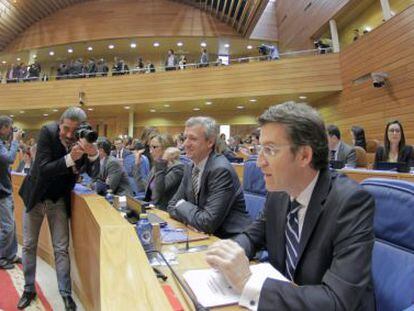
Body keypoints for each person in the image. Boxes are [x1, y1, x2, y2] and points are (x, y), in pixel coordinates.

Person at [206, 102, 375, 310]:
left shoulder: (351, 203)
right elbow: (253, 236)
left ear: (304, 155)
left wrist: (248, 284)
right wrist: (229, 252)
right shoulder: (279, 193)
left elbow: (337, 301)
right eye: (260, 149)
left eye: (269, 150)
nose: (259, 162)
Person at [18, 107, 99, 310]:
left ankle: (65, 293)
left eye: (74, 130)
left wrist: (93, 154)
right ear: (60, 123)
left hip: (58, 199)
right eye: (66, 128)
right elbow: (44, 169)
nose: (69, 134)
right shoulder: (47, 131)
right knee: (28, 245)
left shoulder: (82, 138)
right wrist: (70, 158)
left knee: (61, 249)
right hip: (36, 196)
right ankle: (28, 289)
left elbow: (94, 172)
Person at [167, 117, 251, 238]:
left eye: (193, 138)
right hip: (202, 235)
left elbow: (207, 223)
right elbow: (171, 205)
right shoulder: (190, 167)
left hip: (229, 239)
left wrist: (182, 205)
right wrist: (192, 220)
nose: (185, 144)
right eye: (185, 138)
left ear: (210, 142)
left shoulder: (220, 170)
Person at [0, 116, 22, 270]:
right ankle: (1, 257)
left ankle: (11, 254)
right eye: (10, 128)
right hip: (1, 192)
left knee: (12, 225)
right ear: (3, 128)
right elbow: (9, 158)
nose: (11, 130)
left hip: (6, 189)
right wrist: (15, 141)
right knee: (7, 226)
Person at [144, 145, 184, 210]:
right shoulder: (159, 167)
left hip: (163, 207)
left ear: (172, 158)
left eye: (165, 156)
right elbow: (147, 187)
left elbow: (159, 190)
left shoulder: (178, 169)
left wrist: (161, 166)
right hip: (151, 204)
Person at [143, 134, 177, 208]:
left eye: (154, 147)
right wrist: (137, 166)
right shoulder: (156, 166)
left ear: (167, 149)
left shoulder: (177, 168)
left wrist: (163, 160)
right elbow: (142, 189)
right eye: (150, 147)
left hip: (163, 212)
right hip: (151, 207)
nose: (150, 151)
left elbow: (158, 193)